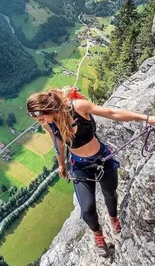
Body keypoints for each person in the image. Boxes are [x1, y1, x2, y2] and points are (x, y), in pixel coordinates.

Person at [27, 87, 155, 257]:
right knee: (87, 209)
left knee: (110, 193)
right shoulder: (49, 124)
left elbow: (112, 113)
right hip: (80, 166)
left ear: (48, 109)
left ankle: (113, 218)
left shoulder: (78, 107)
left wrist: (146, 118)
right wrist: (61, 165)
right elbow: (58, 144)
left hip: (102, 159)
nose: (41, 121)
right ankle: (98, 235)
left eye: (41, 117)